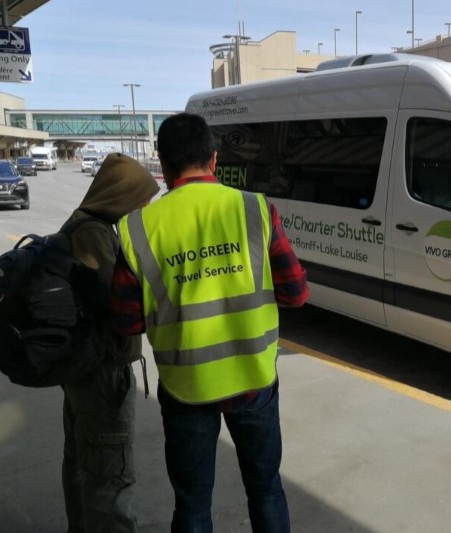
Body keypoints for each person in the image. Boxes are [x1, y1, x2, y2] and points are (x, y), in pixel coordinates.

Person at [111, 112, 309, 533]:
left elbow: (127, 323)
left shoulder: (137, 228)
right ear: (214, 160)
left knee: (194, 504)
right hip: (253, 380)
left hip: (186, 388)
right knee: (266, 489)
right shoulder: (255, 209)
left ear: (162, 165)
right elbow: (296, 292)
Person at [62, 153, 160, 533]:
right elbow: (116, 305)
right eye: (141, 198)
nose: (146, 207)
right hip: (102, 372)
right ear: (122, 195)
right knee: (110, 473)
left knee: (82, 460)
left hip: (84, 367)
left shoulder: (83, 224)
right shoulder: (94, 235)